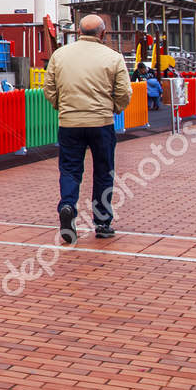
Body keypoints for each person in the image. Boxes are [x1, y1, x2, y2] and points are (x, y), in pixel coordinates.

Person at [42, 13, 132, 244]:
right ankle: (102, 223)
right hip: (101, 122)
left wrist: (61, 106)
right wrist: (114, 108)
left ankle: (68, 206)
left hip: (69, 122)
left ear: (79, 32)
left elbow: (49, 88)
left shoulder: (59, 55)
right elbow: (124, 92)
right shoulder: (113, 57)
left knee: (70, 169)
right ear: (102, 34)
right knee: (103, 171)